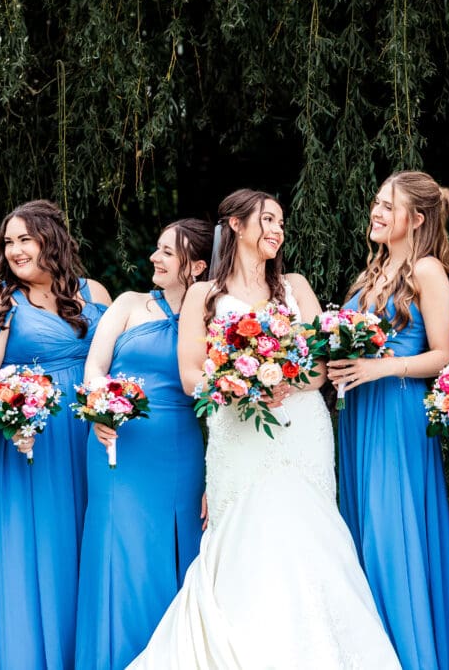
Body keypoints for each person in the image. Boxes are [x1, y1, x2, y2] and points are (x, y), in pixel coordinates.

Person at [128, 189, 400, 669]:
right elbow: (191, 377)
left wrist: (283, 382)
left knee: (307, 535)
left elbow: (320, 369)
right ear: (235, 224)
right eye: (268, 219)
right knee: (244, 540)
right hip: (239, 433)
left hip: (301, 429)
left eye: (281, 223)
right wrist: (243, 386)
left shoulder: (296, 287)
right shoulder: (203, 295)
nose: (277, 230)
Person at [327, 171, 449, 669]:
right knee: (362, 530)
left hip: (398, 411)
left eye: (389, 205)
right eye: (377, 203)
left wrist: (377, 368)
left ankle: (410, 653)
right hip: (358, 412)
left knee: (392, 533)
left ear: (418, 218)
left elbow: (444, 354)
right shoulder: (372, 273)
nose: (377, 212)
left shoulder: (426, 271)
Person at [0, 199, 111, 669]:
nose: (15, 250)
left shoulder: (93, 292)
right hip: (31, 438)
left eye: (25, 239)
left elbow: (118, 361)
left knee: (92, 539)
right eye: (9, 242)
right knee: (40, 546)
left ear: (51, 239)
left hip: (90, 435)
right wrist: (10, 416)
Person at [75, 218, 212, 670]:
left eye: (168, 252)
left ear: (196, 267)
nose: (155, 257)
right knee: (119, 553)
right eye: (157, 248)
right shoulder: (129, 303)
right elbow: (95, 366)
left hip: (181, 452)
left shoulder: (213, 317)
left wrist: (217, 473)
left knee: (177, 551)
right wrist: (100, 408)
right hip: (119, 446)